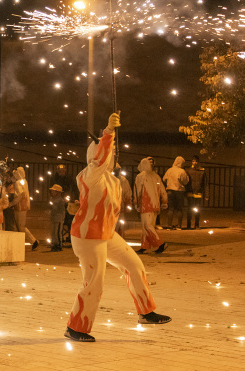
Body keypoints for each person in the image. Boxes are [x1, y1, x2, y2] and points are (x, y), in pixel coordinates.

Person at [65, 113, 171, 343]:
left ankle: (146, 312)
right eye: (107, 153)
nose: (109, 158)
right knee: (95, 282)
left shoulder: (112, 180)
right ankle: (76, 327)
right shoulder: (89, 174)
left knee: (134, 265)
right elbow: (100, 161)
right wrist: (109, 132)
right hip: (88, 237)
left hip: (106, 233)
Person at [134, 157, 168, 254]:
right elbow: (162, 190)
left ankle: (160, 243)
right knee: (148, 225)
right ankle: (145, 246)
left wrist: (136, 203)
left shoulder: (140, 176)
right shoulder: (156, 176)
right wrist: (164, 202)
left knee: (147, 225)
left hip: (145, 204)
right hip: (155, 205)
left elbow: (138, 191)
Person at [6, 167, 39, 250]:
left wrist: (11, 204)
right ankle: (25, 242)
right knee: (19, 226)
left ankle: (33, 241)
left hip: (21, 206)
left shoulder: (20, 182)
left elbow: (19, 196)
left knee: (21, 226)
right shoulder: (23, 181)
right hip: (21, 206)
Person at [163, 156, 189, 229]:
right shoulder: (182, 171)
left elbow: (164, 179)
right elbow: (185, 181)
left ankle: (169, 225)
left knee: (170, 208)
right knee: (179, 209)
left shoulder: (169, 170)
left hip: (170, 191)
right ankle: (179, 225)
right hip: (179, 191)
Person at [185, 155, 207, 229]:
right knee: (190, 209)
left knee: (197, 209)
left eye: (196, 161)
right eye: (193, 161)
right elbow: (186, 182)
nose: (195, 163)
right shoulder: (188, 170)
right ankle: (189, 225)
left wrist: (207, 194)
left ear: (198, 162)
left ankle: (196, 225)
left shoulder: (202, 171)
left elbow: (205, 184)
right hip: (190, 192)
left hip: (198, 193)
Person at [49, 184, 66, 251]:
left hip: (58, 218)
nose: (52, 192)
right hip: (53, 218)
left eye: (54, 191)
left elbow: (60, 210)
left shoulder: (60, 201)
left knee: (57, 232)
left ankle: (58, 245)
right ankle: (54, 244)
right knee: (53, 232)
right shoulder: (53, 199)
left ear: (58, 193)